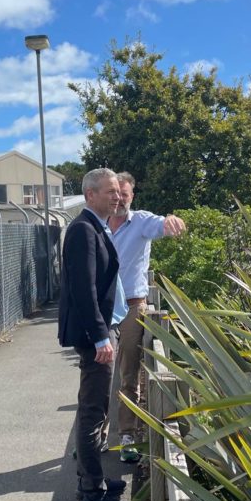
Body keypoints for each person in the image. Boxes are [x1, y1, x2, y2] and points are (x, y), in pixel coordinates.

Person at [58, 168, 128, 501]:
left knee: (94, 407)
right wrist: (101, 336)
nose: (117, 196)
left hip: (101, 329)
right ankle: (93, 495)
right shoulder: (83, 230)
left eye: (119, 191)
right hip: (94, 335)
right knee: (92, 411)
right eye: (110, 191)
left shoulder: (95, 227)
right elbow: (83, 290)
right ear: (90, 195)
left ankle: (91, 478)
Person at [107, 172, 186, 463]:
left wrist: (172, 220)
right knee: (98, 374)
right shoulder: (98, 223)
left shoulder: (140, 221)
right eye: (115, 194)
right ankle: (95, 436)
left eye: (124, 194)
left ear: (132, 196)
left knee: (128, 374)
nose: (119, 199)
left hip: (131, 307)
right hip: (102, 308)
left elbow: (162, 224)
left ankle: (127, 435)